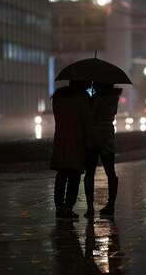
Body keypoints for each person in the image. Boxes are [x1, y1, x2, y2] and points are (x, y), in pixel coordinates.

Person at [50, 80, 91, 219]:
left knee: (61, 174)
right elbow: (87, 121)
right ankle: (68, 207)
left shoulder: (59, 96)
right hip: (76, 140)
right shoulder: (83, 98)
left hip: (61, 138)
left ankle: (59, 207)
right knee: (74, 175)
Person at [83, 82, 122, 217]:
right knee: (110, 171)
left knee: (90, 172)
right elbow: (112, 116)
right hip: (108, 136)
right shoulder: (114, 99)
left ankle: (90, 207)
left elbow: (91, 117)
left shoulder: (98, 98)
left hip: (95, 136)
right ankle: (110, 205)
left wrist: (92, 99)